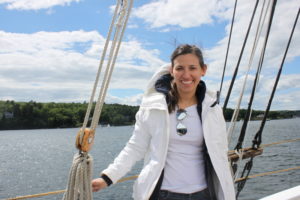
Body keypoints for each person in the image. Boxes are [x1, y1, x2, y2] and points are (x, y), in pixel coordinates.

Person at [91, 44, 236, 200]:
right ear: (171, 71)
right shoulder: (153, 108)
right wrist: (108, 177)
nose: (186, 75)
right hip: (163, 194)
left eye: (192, 68)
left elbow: (220, 151)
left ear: (203, 70)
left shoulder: (213, 109)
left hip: (204, 193)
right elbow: (135, 147)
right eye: (180, 68)